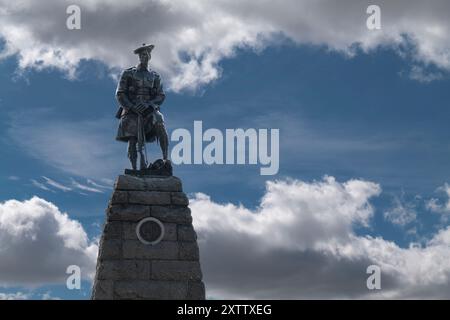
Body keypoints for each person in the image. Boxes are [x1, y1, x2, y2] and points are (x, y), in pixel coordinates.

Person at [115, 44, 169, 170]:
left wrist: (150, 105)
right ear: (138, 57)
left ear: (149, 56)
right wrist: (132, 107)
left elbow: (161, 95)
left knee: (160, 121)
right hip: (131, 109)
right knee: (132, 137)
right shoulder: (128, 73)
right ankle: (135, 167)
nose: (143, 57)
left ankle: (166, 159)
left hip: (149, 109)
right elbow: (120, 93)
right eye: (141, 55)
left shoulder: (155, 76)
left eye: (145, 54)